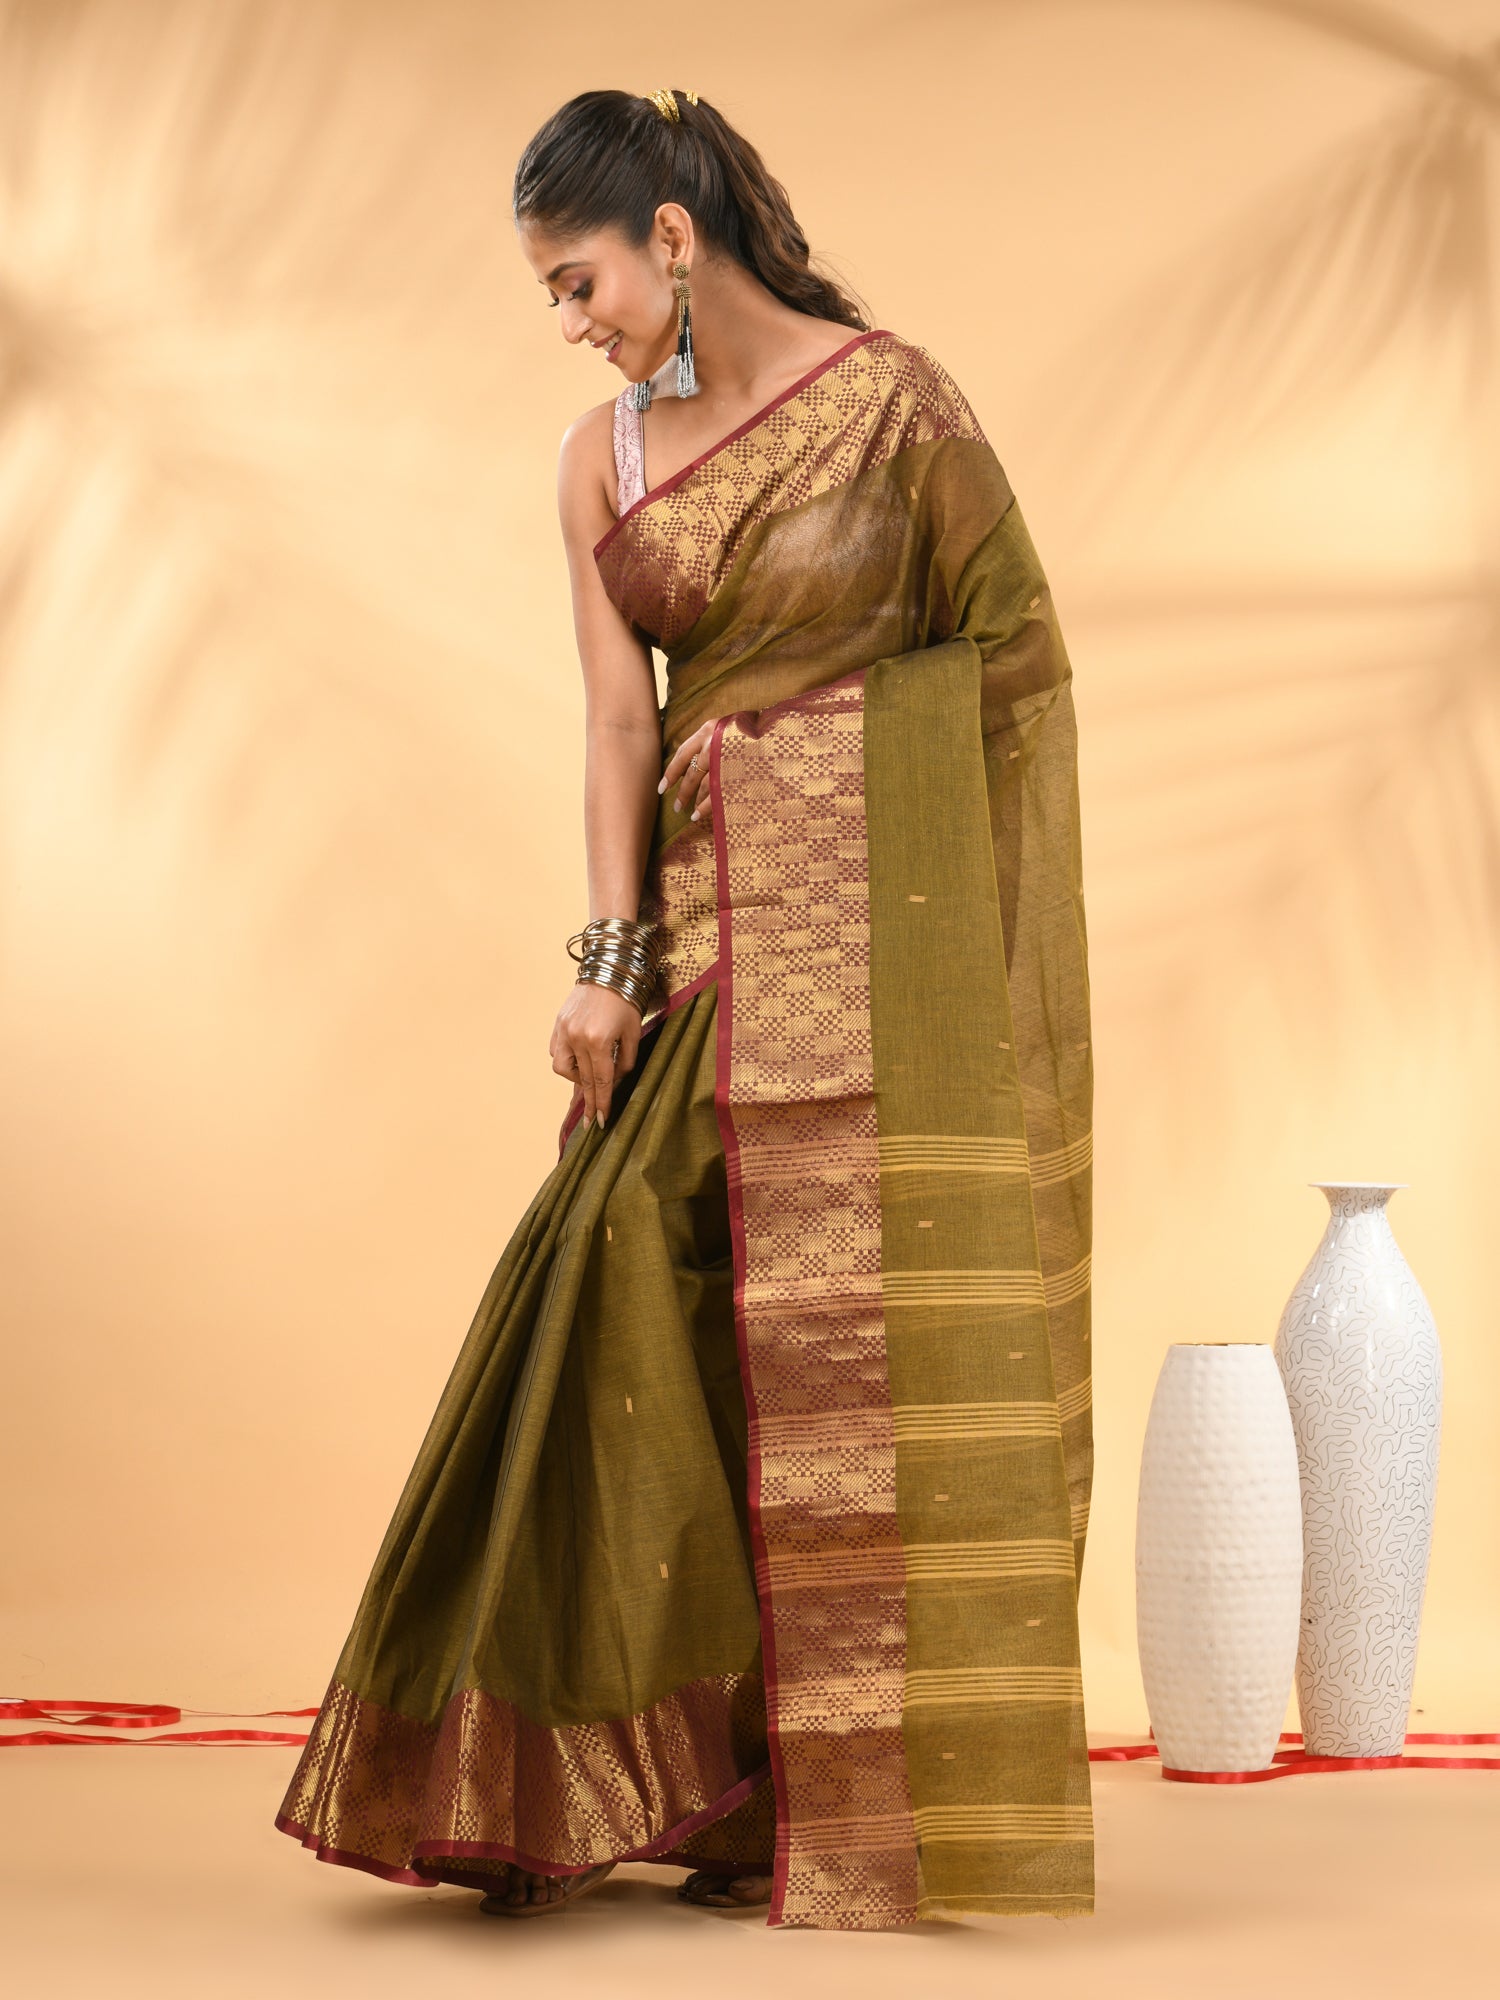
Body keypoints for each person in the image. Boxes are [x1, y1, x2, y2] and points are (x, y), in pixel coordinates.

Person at [274, 84, 1096, 1934]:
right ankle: (607, 1781)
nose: (569, 325)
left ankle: (829, 1801)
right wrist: (607, 961)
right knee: (633, 1297)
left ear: (668, 231)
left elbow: (1016, 661)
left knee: (846, 1354)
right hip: (701, 950)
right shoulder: (601, 457)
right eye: (548, 300)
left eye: (577, 283)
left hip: (875, 961)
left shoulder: (897, 406)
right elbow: (617, 722)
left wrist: (796, 762)